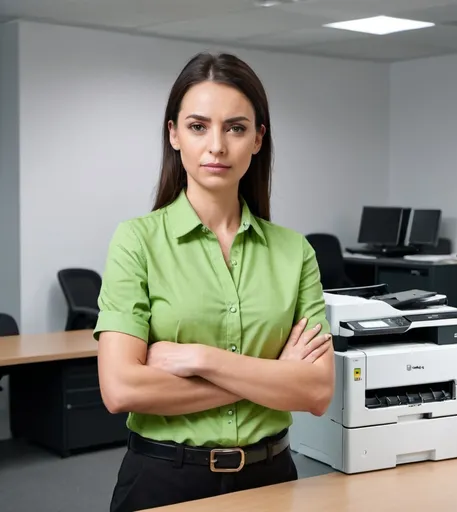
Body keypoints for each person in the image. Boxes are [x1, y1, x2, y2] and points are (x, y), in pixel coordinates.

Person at [94, 51, 335, 512]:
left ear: (258, 139)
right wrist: (271, 375)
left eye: (236, 127)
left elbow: (317, 392)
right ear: (174, 135)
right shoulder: (137, 242)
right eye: (199, 126)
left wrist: (198, 358)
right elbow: (122, 389)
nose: (217, 146)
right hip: (163, 481)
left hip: (272, 481)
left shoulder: (295, 252)